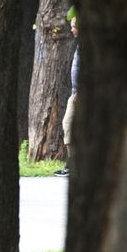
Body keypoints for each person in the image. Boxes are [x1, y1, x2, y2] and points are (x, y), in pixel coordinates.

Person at [54, 11, 78, 177]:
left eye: (74, 26)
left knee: (68, 123)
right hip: (75, 93)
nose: (72, 29)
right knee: (68, 125)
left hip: (79, 94)